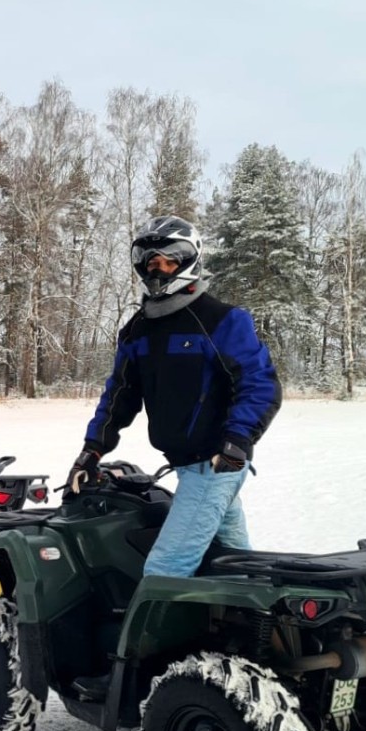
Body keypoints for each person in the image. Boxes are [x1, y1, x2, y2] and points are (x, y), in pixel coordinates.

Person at [69, 216, 281, 579]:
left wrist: (238, 439)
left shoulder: (219, 319)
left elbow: (260, 384)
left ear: (189, 261)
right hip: (187, 465)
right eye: (150, 261)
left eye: (169, 259)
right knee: (234, 564)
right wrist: (93, 449)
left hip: (216, 465)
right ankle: (259, 630)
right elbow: (119, 395)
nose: (159, 268)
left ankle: (147, 638)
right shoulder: (137, 330)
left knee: (165, 570)